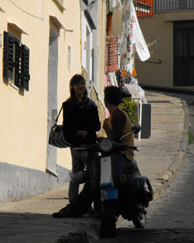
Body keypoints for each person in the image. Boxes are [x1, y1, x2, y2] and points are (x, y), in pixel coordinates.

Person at [52, 85, 135, 218]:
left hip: (121, 156)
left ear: (107, 100)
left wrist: (104, 134)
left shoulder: (118, 116)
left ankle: (75, 209)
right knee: (93, 180)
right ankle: (85, 208)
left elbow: (116, 141)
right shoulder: (113, 116)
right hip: (113, 156)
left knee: (93, 180)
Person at [62, 74, 101, 205]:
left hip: (91, 145)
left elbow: (97, 125)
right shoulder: (68, 105)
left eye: (82, 83)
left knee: (94, 176)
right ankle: (73, 203)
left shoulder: (92, 105)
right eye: (77, 84)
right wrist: (76, 132)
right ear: (72, 87)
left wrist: (87, 131)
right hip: (76, 146)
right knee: (76, 176)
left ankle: (91, 204)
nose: (80, 86)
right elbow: (66, 126)